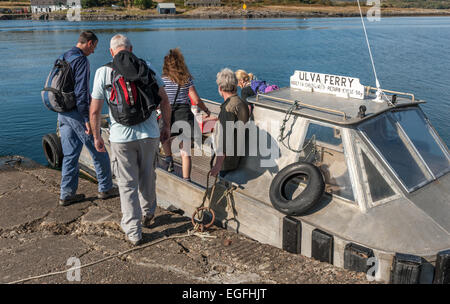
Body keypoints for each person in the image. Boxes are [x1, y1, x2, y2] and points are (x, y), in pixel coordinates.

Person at [90, 34, 171, 246]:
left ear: (111, 52)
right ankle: (149, 213)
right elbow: (164, 101)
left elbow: (95, 110)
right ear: (131, 49)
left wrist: (97, 136)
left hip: (120, 138)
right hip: (149, 135)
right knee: (148, 176)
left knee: (127, 184)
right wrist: (167, 127)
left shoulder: (103, 72)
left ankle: (134, 231)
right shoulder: (148, 67)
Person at [58, 31, 117, 207]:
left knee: (70, 154)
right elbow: (82, 91)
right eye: (94, 47)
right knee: (98, 148)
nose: (94, 51)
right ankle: (105, 188)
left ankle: (66, 194)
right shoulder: (81, 60)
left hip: (62, 111)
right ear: (89, 43)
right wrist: (86, 117)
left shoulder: (64, 56)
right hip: (77, 112)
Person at [161, 48, 210, 181]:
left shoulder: (162, 81)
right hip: (184, 115)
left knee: (164, 137)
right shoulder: (186, 80)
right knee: (185, 152)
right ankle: (186, 179)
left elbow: (159, 98)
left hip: (168, 113)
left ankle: (169, 157)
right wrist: (205, 110)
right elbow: (196, 100)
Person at [210, 68, 250, 178]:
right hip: (238, 155)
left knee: (222, 185)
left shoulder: (228, 108)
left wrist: (217, 165)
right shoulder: (241, 102)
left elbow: (225, 140)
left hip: (227, 162)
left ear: (220, 88)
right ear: (235, 85)